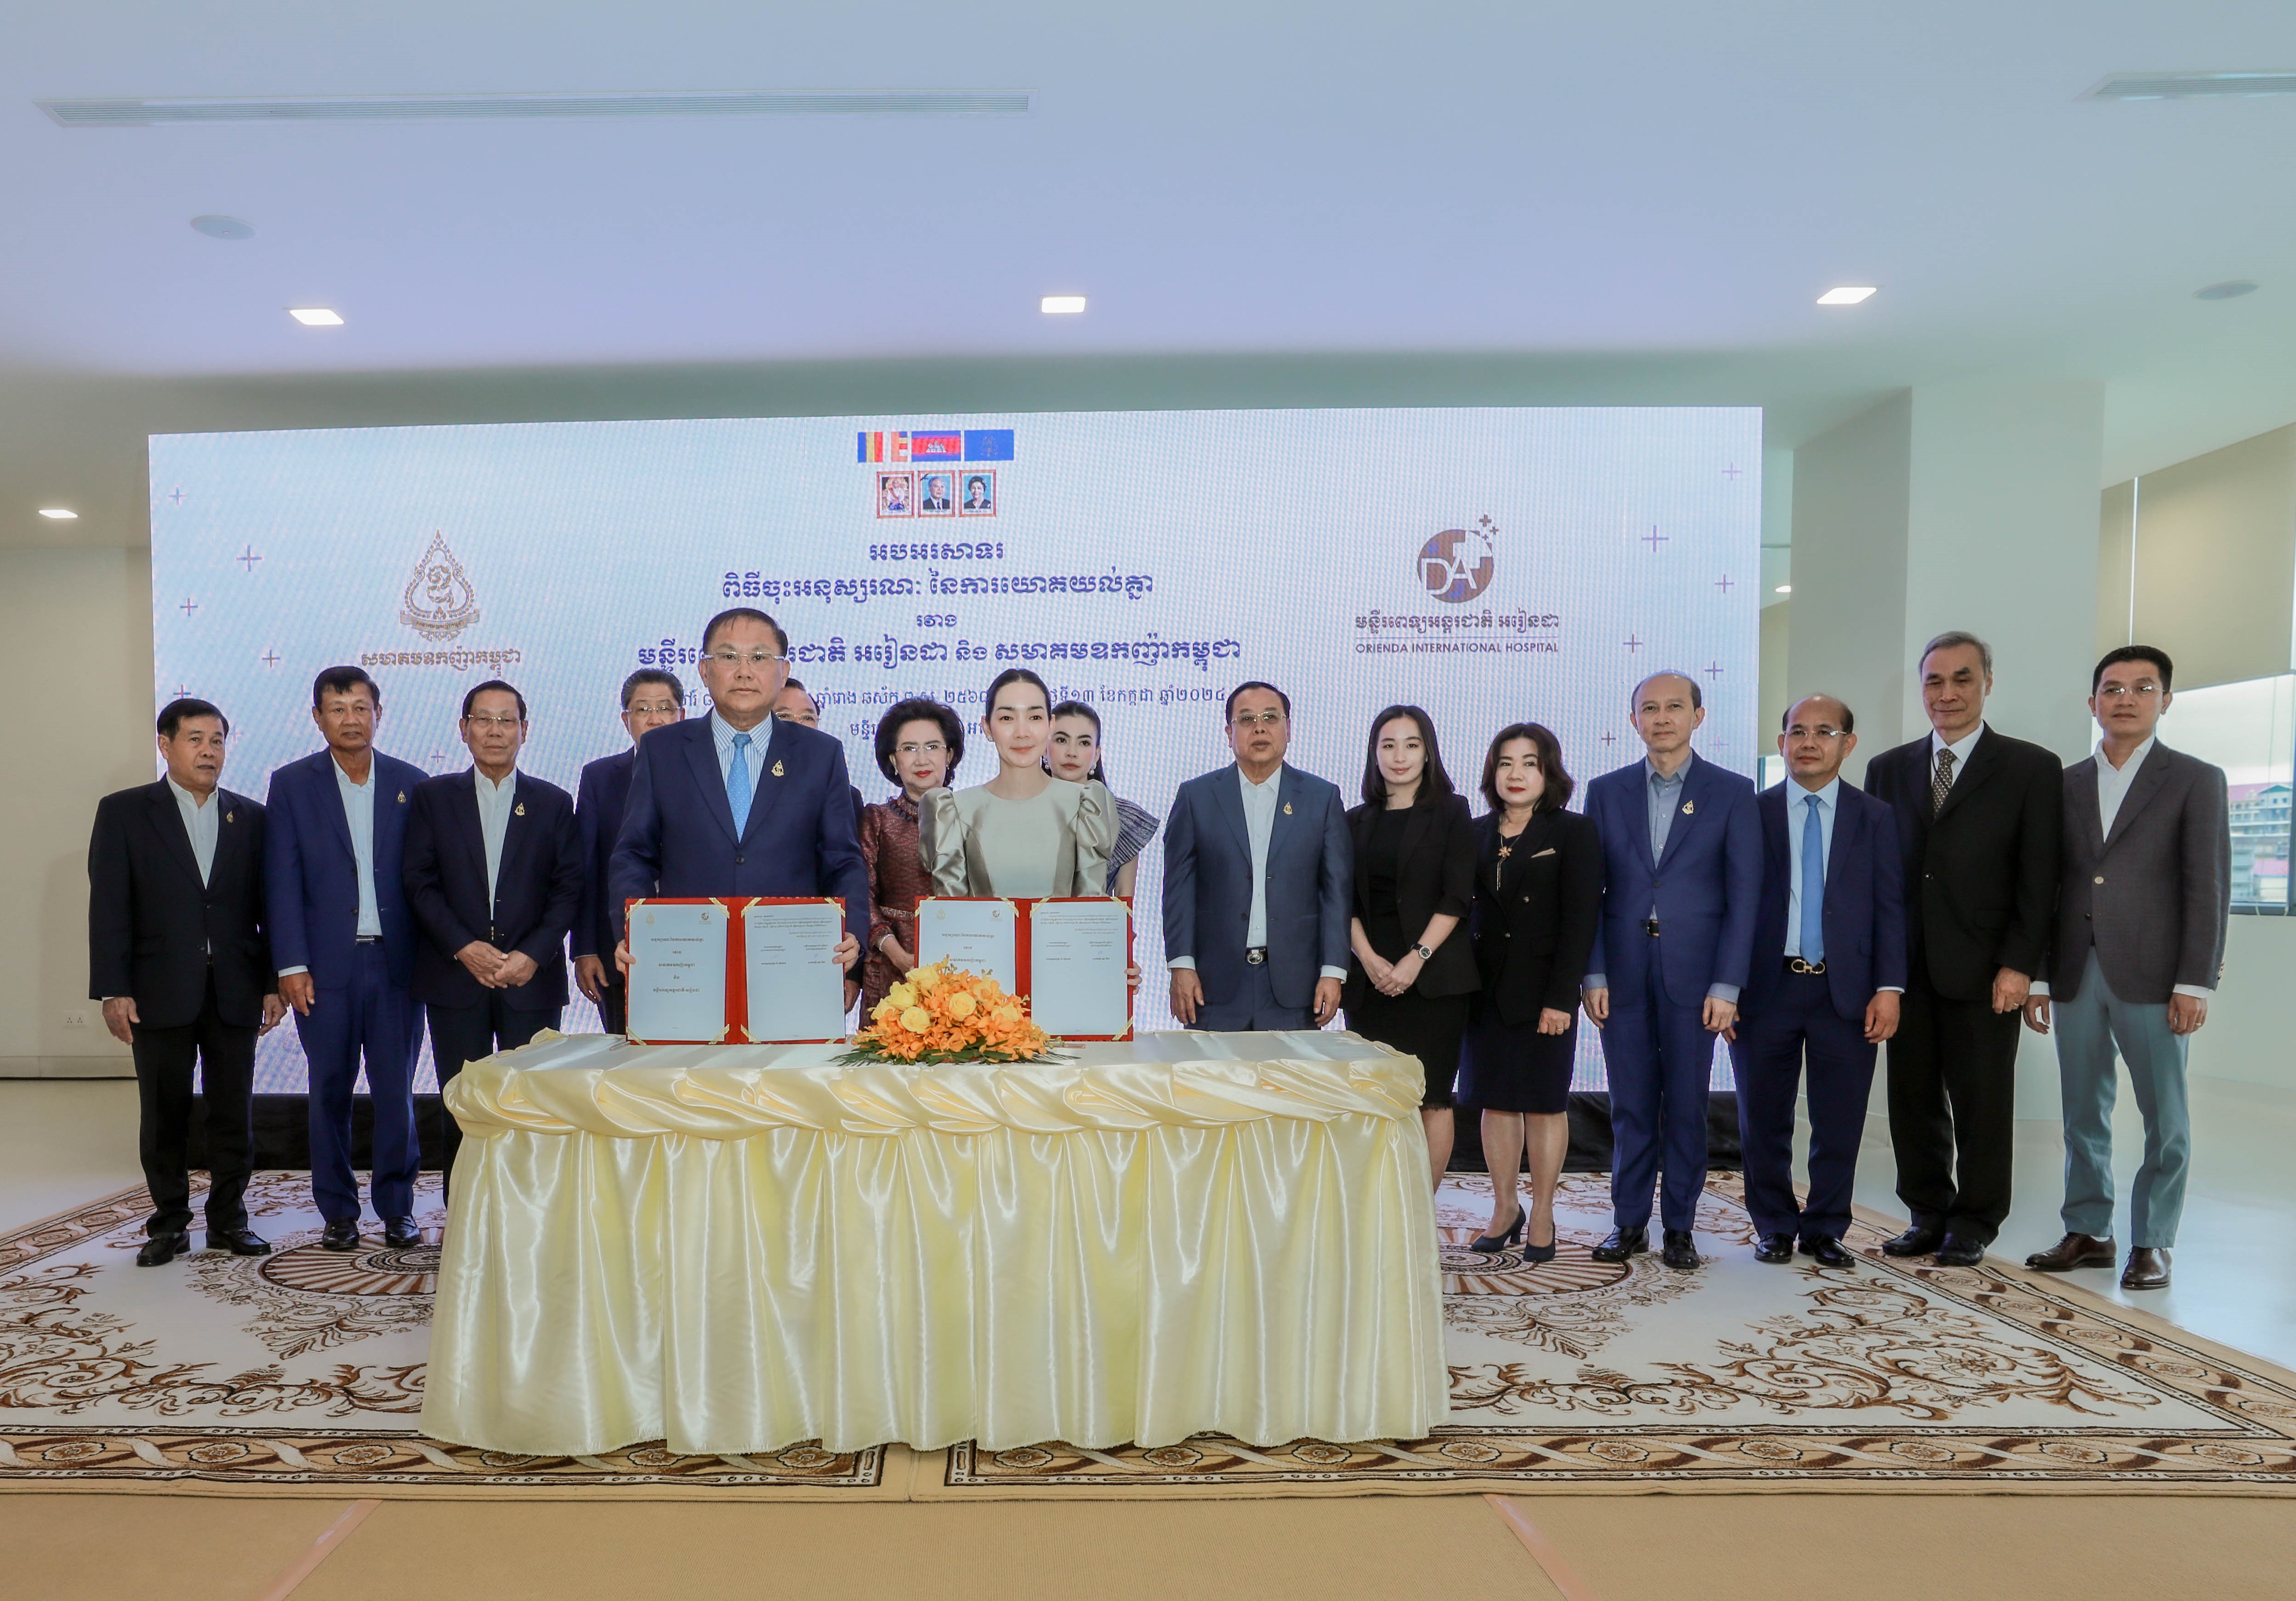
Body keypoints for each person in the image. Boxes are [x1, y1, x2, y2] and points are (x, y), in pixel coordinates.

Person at [2022, 646, 2229, 1291]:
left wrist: (2194, 981)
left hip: (2155, 976)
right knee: (2082, 1112)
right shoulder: (2062, 784)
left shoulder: (2195, 779)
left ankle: (2153, 1241)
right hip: (2075, 972)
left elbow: (2207, 887)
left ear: (2165, 700)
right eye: (2112, 688)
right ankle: (2089, 1230)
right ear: (2093, 703)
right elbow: (2044, 885)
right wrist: (2037, 975)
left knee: (2165, 1119)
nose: (2126, 699)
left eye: (2142, 688)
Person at [1863, 632, 2062, 1268]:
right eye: (1934, 680)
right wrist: (1880, 969)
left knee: (1982, 1103)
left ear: (1987, 683)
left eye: (1961, 679)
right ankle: (1926, 1212)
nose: (1946, 693)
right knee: (1912, 1101)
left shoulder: (2031, 768)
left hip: (1986, 970)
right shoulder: (1887, 768)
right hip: (1905, 969)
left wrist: (2021, 965)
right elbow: (1877, 875)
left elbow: (2040, 878)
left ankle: (1975, 1220)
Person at [87, 698, 284, 1265]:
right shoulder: (125, 812)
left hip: (234, 990)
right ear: (165, 745)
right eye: (195, 739)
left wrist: (272, 981)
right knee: (164, 1114)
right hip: (157, 991)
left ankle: (229, 1220)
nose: (208, 751)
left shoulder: (251, 818)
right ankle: (169, 1223)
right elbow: (110, 907)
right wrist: (113, 989)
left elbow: (269, 909)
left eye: (217, 740)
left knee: (233, 1113)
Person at [1581, 671, 1761, 1271]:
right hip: (1623, 973)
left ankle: (1680, 1226)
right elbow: (1591, 893)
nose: (1661, 718)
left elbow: (1744, 898)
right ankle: (1629, 1221)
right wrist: (1593, 973)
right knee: (1630, 1104)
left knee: (1686, 1105)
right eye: (1649, 708)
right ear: (1633, 720)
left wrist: (1728, 985)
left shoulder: (1731, 792)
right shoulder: (1606, 792)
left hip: (1697, 977)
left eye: (1674, 707)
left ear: (1697, 717)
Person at [1728, 695, 1906, 1268]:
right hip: (1765, 988)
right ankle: (1774, 1225)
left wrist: (1889, 987)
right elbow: (1727, 906)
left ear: (1847, 744)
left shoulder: (1875, 817)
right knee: (1762, 1119)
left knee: (1839, 1120)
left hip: (1846, 992)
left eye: (1823, 732)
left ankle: (1827, 1228)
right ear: (1781, 742)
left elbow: (1890, 908)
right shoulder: (1750, 813)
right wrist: (1726, 988)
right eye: (1797, 731)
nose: (1808, 742)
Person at [610, 608, 866, 1000]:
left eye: (759, 658)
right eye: (729, 657)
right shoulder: (662, 750)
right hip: (685, 965)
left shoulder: (821, 754)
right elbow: (633, 854)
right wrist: (635, 927)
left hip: (793, 964)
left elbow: (842, 859)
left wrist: (853, 932)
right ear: (704, 670)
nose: (744, 672)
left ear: (783, 671)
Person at [265, 666, 428, 1251]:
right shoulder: (291, 784)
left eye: (361, 707)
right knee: (328, 1091)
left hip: (396, 966)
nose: (351, 719)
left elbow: (425, 880)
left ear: (378, 714)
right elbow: (281, 880)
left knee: (396, 1093)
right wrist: (290, 965)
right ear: (318, 717)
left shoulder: (413, 783)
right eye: (337, 709)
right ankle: (338, 1211)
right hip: (323, 971)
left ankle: (397, 1208)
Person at [403, 681, 583, 1196]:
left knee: (533, 1104)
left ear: (525, 731)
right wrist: (463, 947)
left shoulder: (553, 802)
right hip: (455, 978)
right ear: (464, 730)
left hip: (531, 980)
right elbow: (418, 881)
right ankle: (464, 1213)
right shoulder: (433, 798)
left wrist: (533, 953)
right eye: (484, 719)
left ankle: (532, 1213)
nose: (495, 731)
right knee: (463, 1104)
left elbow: (568, 887)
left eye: (507, 720)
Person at [1457, 723, 1599, 1261]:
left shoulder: (1573, 831)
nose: (1515, 774)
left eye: (1529, 763)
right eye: (1505, 763)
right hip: (1482, 991)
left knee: (1542, 1104)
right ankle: (1504, 1208)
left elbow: (1580, 921)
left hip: (1545, 993)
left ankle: (1542, 1212)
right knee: (1495, 1103)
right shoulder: (1472, 832)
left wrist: (1562, 998)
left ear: (1548, 771)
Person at [1162, 682, 1351, 1031]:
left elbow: (1335, 893)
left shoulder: (1321, 798)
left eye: (1270, 718)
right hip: (1212, 986)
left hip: (1296, 986)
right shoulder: (1196, 797)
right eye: (1247, 719)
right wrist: (1181, 965)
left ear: (1288, 729)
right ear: (1229, 733)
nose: (1259, 728)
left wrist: (1333, 971)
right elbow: (1178, 890)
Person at [1342, 706, 1478, 1189]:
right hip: (1370, 983)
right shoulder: (1353, 820)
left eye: (1411, 744)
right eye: (1389, 745)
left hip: (1434, 981)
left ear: (1428, 753)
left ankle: (1419, 1215)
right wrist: (1368, 959)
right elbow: (1341, 901)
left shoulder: (1452, 811)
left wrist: (1415, 959)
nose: (1399, 756)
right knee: (1374, 1100)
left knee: (1432, 1099)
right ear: (1374, 753)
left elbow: (1457, 896)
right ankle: (1380, 1211)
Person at [920, 668, 1116, 897]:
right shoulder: (953, 811)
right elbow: (952, 910)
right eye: (1007, 718)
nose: (1022, 732)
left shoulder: (1086, 806)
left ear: (1051, 725)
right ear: (987, 727)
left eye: (1035, 718)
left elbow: (1091, 907)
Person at [573, 668, 684, 1034]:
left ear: (681, 716)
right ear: (626, 720)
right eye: (643, 709)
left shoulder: (710, 775)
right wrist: (585, 949)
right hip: (620, 951)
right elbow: (588, 869)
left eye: (664, 708)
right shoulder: (600, 777)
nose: (655, 718)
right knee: (625, 1056)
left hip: (694, 941)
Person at [859, 698, 962, 1014]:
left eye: (932, 747)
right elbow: (863, 895)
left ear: (949, 755)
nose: (922, 759)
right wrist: (898, 954)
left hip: (960, 966)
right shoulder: (877, 819)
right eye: (909, 748)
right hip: (889, 965)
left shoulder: (973, 816)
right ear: (893, 759)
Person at [1047, 700, 1161, 897]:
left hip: (1099, 918)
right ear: (1044, 748)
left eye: (1084, 743)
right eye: (1062, 740)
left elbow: (1125, 901)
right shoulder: (1021, 811)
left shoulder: (1123, 818)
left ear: (1096, 754)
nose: (1072, 752)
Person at [776, 677, 865, 828]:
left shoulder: (847, 797)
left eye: (808, 718)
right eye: (784, 716)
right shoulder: (745, 787)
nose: (798, 725)